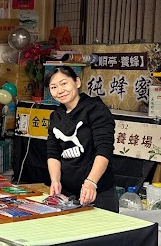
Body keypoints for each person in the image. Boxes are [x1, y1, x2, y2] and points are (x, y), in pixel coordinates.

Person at [45, 65, 118, 212]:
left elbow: (104, 149)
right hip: (67, 194)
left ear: (77, 82)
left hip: (98, 191)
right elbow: (53, 153)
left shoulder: (95, 109)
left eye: (64, 83)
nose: (60, 90)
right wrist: (55, 180)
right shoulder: (56, 116)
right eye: (53, 87)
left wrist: (91, 182)